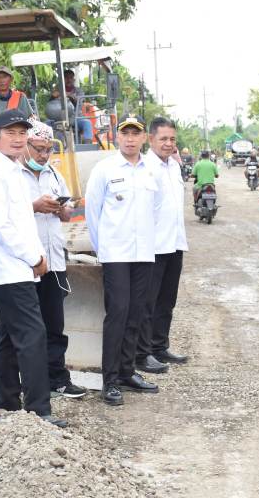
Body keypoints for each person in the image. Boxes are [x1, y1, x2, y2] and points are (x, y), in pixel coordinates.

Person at [0, 109, 67, 428]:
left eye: (21, 132)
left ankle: (8, 400)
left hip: (15, 267)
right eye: (9, 132)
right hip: (9, 268)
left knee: (10, 334)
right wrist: (35, 257)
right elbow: (3, 227)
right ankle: (39, 411)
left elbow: (20, 222)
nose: (17, 138)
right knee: (32, 334)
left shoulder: (10, 170)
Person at [85, 114, 162, 406]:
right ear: (117, 137)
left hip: (143, 253)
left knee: (136, 313)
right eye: (125, 133)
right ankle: (110, 380)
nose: (130, 138)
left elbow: (154, 209)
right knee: (117, 313)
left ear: (144, 138)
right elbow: (93, 212)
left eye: (136, 133)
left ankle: (128, 372)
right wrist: (101, 248)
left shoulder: (150, 171)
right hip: (116, 253)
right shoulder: (104, 169)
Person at [21, 120, 87, 399]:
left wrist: (61, 210)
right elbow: (3, 215)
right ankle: (28, 383)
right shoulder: (12, 176)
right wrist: (34, 207)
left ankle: (57, 378)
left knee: (54, 324)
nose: (43, 155)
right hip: (26, 262)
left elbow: (68, 212)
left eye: (47, 149)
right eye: (38, 149)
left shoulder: (54, 174)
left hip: (54, 261)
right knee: (27, 328)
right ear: (25, 145)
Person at [135, 117, 189, 374]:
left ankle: (160, 346)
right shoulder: (145, 167)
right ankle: (142, 354)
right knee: (147, 303)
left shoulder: (173, 167)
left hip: (175, 242)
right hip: (153, 246)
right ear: (151, 139)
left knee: (167, 300)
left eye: (172, 139)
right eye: (163, 139)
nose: (168, 144)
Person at [64, 70, 94, 144]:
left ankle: (88, 146)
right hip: (60, 118)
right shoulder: (57, 91)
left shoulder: (79, 91)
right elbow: (51, 104)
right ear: (62, 79)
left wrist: (71, 97)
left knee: (87, 123)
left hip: (76, 117)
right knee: (47, 123)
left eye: (70, 78)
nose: (68, 80)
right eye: (66, 77)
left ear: (73, 80)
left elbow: (79, 103)